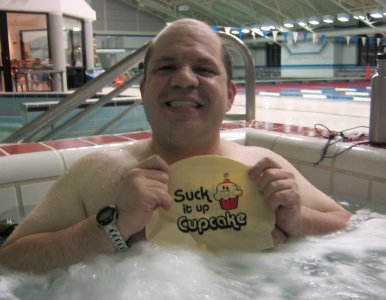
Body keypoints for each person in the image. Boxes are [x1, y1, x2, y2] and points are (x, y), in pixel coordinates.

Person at [0, 19, 351, 273]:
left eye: (204, 69)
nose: (184, 79)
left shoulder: (263, 164)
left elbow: (349, 226)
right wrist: (113, 225)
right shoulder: (98, 172)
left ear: (230, 95)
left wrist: (297, 219)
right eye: (167, 67)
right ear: (143, 90)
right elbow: (10, 260)